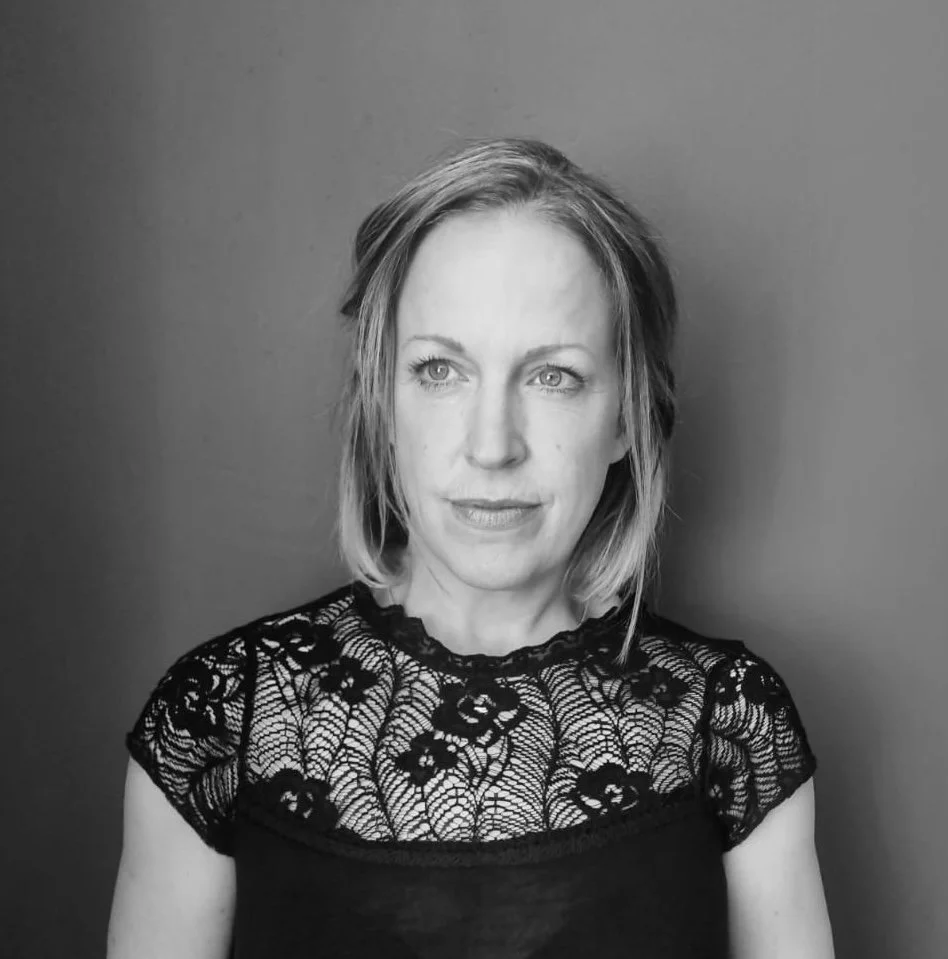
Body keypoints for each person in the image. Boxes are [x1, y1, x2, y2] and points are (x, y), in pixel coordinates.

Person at [107, 138, 835, 958]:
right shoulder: (220, 717)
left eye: (553, 376)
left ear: (625, 418)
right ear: (381, 402)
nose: (492, 446)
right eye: (439, 370)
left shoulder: (730, 724)